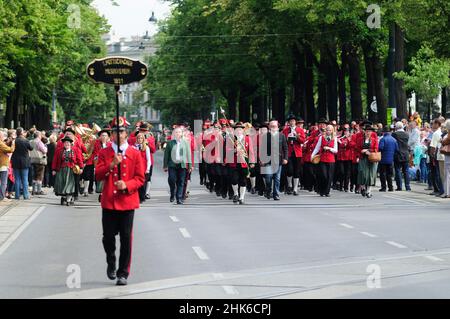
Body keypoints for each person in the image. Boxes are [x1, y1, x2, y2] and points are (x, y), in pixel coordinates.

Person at [95, 117, 145, 286]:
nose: (119, 134)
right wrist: (111, 164)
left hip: (127, 202)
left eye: (121, 131)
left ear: (126, 133)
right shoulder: (104, 153)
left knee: (126, 238)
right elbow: (98, 174)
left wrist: (127, 185)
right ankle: (111, 260)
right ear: (112, 134)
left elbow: (140, 178)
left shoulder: (135, 153)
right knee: (108, 237)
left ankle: (123, 272)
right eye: (115, 131)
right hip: (109, 201)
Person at [163, 127, 192, 204]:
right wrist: (165, 166)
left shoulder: (186, 142)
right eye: (176, 132)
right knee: (172, 180)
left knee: (181, 182)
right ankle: (172, 192)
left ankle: (179, 198)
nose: (177, 134)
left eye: (179, 132)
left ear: (182, 134)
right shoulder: (170, 143)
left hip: (182, 165)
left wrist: (190, 166)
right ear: (174, 134)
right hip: (172, 165)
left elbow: (188, 155)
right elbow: (166, 155)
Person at [260, 120, 288, 201]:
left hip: (278, 160)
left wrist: (285, 158)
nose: (273, 127)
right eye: (271, 126)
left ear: (277, 127)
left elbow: (285, 148)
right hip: (268, 160)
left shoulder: (281, 136)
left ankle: (276, 194)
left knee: (277, 178)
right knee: (268, 177)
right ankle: (268, 190)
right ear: (269, 127)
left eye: (274, 126)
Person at [52, 136, 83, 206]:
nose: (67, 144)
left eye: (68, 142)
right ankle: (63, 197)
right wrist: (54, 169)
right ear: (63, 144)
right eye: (65, 142)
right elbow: (55, 160)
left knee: (70, 185)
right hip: (61, 170)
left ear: (71, 143)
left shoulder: (75, 150)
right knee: (62, 184)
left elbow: (79, 159)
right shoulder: (59, 150)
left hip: (71, 170)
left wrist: (81, 168)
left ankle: (68, 199)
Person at [311, 124, 338, 197]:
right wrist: (312, 155)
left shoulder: (334, 138)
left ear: (332, 131)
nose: (328, 131)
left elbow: (336, 150)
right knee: (324, 175)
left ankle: (327, 191)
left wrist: (329, 148)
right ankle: (322, 190)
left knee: (329, 176)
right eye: (327, 130)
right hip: (323, 159)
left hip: (331, 159)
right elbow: (317, 147)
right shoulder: (321, 138)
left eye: (330, 130)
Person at [281, 114, 305, 196]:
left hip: (297, 152)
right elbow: (282, 141)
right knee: (289, 170)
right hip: (289, 152)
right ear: (288, 122)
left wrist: (297, 136)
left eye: (293, 121)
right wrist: (287, 138)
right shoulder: (285, 130)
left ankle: (295, 188)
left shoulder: (300, 130)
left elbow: (303, 141)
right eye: (290, 121)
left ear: (295, 122)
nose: (292, 122)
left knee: (296, 171)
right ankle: (290, 185)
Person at [357, 125, 379, 198]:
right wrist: (361, 152)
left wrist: (367, 150)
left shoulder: (374, 140)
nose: (368, 133)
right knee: (362, 174)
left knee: (371, 175)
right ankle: (363, 187)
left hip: (371, 159)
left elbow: (376, 149)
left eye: (369, 131)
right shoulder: (360, 140)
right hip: (363, 159)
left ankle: (369, 191)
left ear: (371, 132)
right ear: (364, 132)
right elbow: (357, 148)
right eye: (366, 131)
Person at [11, 127, 33, 200]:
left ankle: (17, 195)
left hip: (15, 161)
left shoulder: (14, 141)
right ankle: (26, 195)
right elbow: (31, 148)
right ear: (22, 133)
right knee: (25, 179)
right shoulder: (25, 140)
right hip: (24, 162)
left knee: (17, 179)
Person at [392, 121, 411, 191]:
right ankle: (408, 186)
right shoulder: (406, 134)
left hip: (398, 153)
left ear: (396, 127)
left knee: (398, 170)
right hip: (406, 154)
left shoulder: (394, 134)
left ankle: (399, 186)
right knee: (406, 171)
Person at [378, 126, 398, 192]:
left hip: (383, 159)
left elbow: (380, 148)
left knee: (382, 173)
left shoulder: (383, 139)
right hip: (391, 159)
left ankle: (383, 187)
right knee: (389, 174)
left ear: (383, 132)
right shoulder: (394, 140)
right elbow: (396, 149)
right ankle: (390, 187)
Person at [133, 133, 151, 203]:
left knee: (143, 183)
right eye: (138, 138)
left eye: (141, 138)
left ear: (143, 139)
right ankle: (138, 197)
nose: (140, 140)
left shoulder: (146, 147)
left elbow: (148, 159)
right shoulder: (134, 147)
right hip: (136, 167)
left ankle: (142, 197)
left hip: (143, 168)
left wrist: (148, 168)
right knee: (137, 183)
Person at [429, 119, 444, 196]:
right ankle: (441, 189)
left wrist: (432, 156)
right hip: (442, 155)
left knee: (436, 173)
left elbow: (433, 146)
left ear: (437, 124)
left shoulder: (435, 133)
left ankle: (438, 189)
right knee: (441, 174)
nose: (432, 125)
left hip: (436, 155)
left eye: (433, 124)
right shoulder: (441, 132)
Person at [30, 131, 48, 195]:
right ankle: (39, 190)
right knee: (40, 175)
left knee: (34, 175)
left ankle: (33, 190)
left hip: (32, 160)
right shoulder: (39, 142)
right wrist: (45, 147)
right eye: (40, 135)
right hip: (40, 160)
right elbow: (44, 150)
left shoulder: (31, 142)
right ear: (38, 136)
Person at [0, 130, 15, 201]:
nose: (3, 136)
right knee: (4, 182)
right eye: (2, 135)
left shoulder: (2, 143)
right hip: (2, 164)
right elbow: (10, 150)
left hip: (2, 164)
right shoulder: (0, 143)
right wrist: (13, 144)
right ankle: (2, 197)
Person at [441, 119, 450, 198]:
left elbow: (445, 142)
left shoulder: (448, 135)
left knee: (447, 174)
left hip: (448, 155)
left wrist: (442, 140)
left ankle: (447, 192)